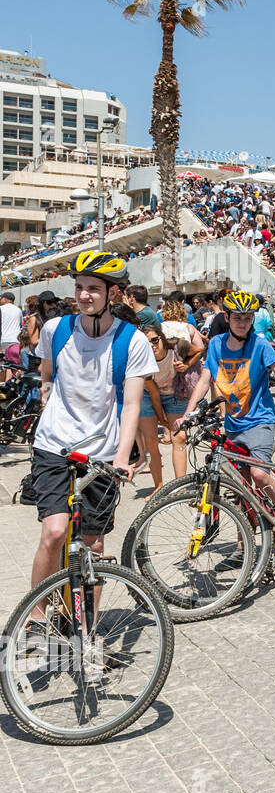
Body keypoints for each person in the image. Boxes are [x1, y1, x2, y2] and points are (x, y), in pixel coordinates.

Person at [29, 252, 156, 591]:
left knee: (93, 546)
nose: (84, 295)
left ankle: (88, 634)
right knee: (55, 532)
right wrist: (48, 407)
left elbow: (131, 404)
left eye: (94, 289)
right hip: (55, 444)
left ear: (113, 293)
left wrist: (121, 457)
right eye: (80, 287)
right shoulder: (55, 329)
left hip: (102, 450)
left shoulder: (133, 340)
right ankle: (37, 620)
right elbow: (47, 377)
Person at [183, 291, 275, 551]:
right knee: (240, 488)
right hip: (233, 425)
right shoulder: (216, 344)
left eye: (248, 318)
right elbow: (205, 381)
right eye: (238, 318)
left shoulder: (260, 345)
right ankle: (244, 548)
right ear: (227, 318)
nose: (243, 323)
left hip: (260, 420)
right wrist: (188, 413)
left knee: (259, 475)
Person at [136, 323, 187, 494]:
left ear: (161, 338)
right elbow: (154, 395)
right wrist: (162, 421)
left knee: (179, 437)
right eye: (146, 343)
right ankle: (158, 487)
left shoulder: (175, 347)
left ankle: (181, 486)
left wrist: (186, 364)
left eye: (155, 340)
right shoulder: (142, 360)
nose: (152, 345)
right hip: (148, 395)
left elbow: (198, 350)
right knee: (150, 441)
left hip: (174, 392)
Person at [0, 290, 21, 357]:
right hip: (17, 340)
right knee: (15, 363)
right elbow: (21, 324)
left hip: (4, 340)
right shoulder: (18, 309)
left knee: (5, 363)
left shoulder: (1, 308)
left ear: (5, 299)